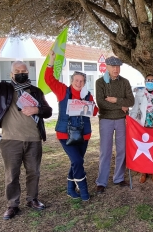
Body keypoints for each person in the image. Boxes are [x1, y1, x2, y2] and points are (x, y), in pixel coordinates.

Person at [0, 46, 52, 220]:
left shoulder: (35, 91)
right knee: (12, 174)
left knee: (34, 172)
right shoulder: (5, 89)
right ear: (12, 74)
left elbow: (48, 111)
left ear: (28, 72)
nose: (21, 73)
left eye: (24, 71)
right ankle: (12, 205)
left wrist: (37, 109)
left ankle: (32, 199)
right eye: (17, 71)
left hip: (33, 139)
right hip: (11, 140)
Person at [44, 51, 98, 201]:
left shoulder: (88, 95)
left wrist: (90, 105)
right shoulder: (63, 91)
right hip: (65, 133)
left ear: (85, 82)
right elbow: (49, 79)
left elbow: (94, 112)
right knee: (78, 161)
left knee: (77, 161)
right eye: (76, 80)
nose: (79, 83)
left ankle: (70, 189)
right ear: (72, 80)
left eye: (81, 81)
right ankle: (84, 191)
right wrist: (51, 62)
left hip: (84, 134)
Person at [95, 56, 134, 194]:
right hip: (106, 119)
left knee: (121, 150)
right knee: (105, 151)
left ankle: (118, 178)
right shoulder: (100, 83)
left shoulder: (125, 82)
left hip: (121, 120)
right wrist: (120, 106)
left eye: (118, 67)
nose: (116, 69)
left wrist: (115, 99)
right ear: (107, 67)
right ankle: (101, 181)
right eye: (113, 66)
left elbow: (130, 101)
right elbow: (101, 103)